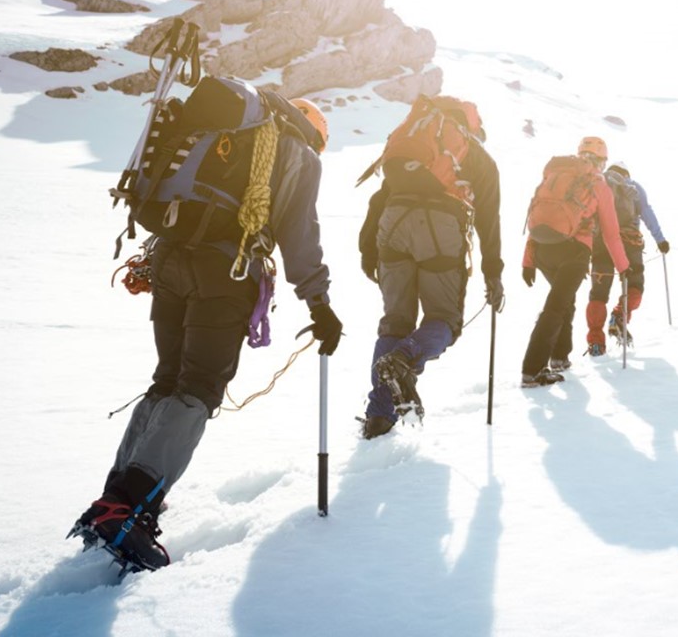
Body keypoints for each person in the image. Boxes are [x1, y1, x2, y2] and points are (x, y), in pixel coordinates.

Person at [71, 95, 343, 571]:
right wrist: (320, 304)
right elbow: (298, 231)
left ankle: (115, 501)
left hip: (172, 258)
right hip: (226, 271)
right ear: (316, 132)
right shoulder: (297, 150)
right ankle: (129, 507)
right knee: (196, 388)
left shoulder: (233, 135)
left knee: (167, 380)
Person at [358, 101, 503, 439]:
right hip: (441, 229)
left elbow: (379, 200)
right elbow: (488, 219)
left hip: (392, 225)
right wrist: (493, 271)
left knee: (395, 322)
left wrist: (369, 249)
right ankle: (406, 358)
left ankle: (379, 416)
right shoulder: (477, 157)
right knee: (444, 320)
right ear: (471, 128)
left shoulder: (414, 146)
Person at [521, 137, 629, 386]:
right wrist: (623, 267)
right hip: (574, 251)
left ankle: (560, 357)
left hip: (543, 249)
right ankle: (532, 370)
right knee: (556, 306)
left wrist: (528, 261)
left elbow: (539, 217)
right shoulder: (598, 183)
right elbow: (611, 234)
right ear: (601, 161)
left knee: (564, 302)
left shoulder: (556, 175)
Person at [584, 161, 668, 355]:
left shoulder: (598, 184)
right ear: (626, 173)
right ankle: (619, 315)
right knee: (635, 284)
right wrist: (660, 240)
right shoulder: (633, 187)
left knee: (598, 293)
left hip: (601, 242)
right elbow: (647, 213)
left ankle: (596, 343)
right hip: (629, 243)